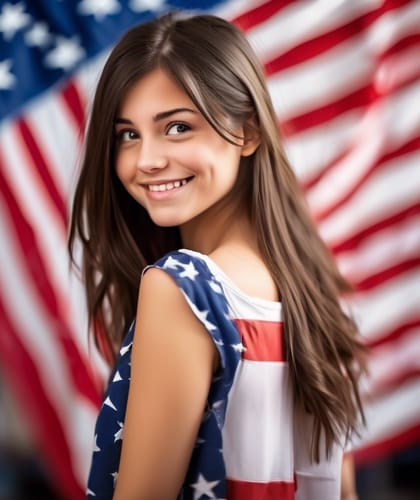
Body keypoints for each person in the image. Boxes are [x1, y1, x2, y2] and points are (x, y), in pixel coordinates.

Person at [69, 12, 367, 500]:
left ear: (247, 132)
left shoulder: (184, 289)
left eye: (178, 127)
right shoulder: (316, 294)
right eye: (128, 134)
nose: (146, 160)